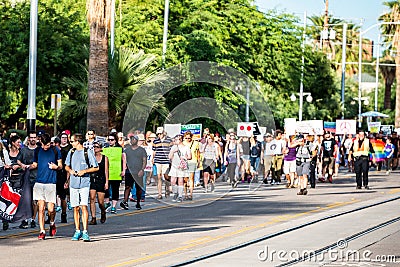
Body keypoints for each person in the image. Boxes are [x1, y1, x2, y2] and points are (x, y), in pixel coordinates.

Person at [65, 133, 99, 241]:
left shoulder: (87, 152)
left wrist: (84, 171)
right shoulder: (71, 152)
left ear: (77, 141)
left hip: (84, 183)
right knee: (75, 207)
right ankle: (77, 230)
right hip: (73, 184)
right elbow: (66, 165)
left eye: (72, 141)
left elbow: (95, 167)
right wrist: (70, 171)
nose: (71, 143)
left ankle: (85, 231)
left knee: (84, 206)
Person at [31, 133, 62, 240]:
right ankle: (42, 231)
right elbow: (35, 164)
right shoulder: (37, 150)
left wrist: (56, 167)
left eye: (47, 145)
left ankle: (52, 222)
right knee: (41, 208)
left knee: (51, 208)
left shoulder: (55, 150)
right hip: (39, 182)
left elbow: (60, 165)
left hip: (51, 182)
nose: (45, 147)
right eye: (44, 145)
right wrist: (27, 166)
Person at [17, 131, 39, 229]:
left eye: (34, 137)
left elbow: (36, 164)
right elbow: (18, 160)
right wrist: (22, 165)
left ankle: (33, 219)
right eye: (31, 137)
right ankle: (24, 220)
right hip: (25, 178)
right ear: (28, 139)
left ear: (37, 139)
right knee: (25, 200)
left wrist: (28, 166)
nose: (33, 139)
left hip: (36, 177)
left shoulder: (38, 150)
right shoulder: (23, 150)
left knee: (34, 201)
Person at [121, 135, 147, 210]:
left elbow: (144, 160)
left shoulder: (141, 150)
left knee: (138, 187)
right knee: (127, 187)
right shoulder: (127, 150)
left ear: (137, 140)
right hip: (129, 171)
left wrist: (142, 169)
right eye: (131, 139)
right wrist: (124, 170)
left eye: (134, 139)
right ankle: (125, 201)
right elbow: (124, 160)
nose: (132, 140)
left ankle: (138, 202)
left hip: (138, 171)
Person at [102, 133, 124, 213]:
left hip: (116, 171)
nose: (110, 141)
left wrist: (123, 170)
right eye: (109, 140)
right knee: (106, 188)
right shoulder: (105, 148)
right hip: (107, 171)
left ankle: (114, 206)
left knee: (115, 189)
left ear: (115, 140)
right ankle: (107, 202)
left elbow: (123, 159)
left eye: (112, 140)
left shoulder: (120, 148)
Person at [89, 141, 109, 224]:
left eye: (97, 147)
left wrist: (107, 182)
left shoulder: (105, 158)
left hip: (101, 179)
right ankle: (93, 217)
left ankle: (103, 211)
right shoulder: (91, 157)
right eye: (94, 147)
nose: (95, 148)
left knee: (101, 202)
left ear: (101, 148)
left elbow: (106, 171)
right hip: (92, 179)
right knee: (92, 198)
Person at [169, 135, 191, 202]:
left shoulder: (186, 147)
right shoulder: (173, 147)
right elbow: (169, 157)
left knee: (180, 181)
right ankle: (176, 193)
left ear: (180, 140)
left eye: (176, 140)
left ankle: (180, 196)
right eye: (175, 140)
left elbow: (190, 156)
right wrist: (172, 151)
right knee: (172, 181)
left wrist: (184, 157)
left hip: (181, 166)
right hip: (174, 166)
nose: (175, 141)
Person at [152, 129, 172, 199]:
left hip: (166, 160)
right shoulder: (155, 141)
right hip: (158, 160)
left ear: (163, 133)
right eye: (158, 134)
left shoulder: (169, 140)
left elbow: (171, 150)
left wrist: (171, 159)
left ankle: (167, 189)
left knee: (166, 176)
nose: (159, 135)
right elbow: (154, 150)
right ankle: (159, 193)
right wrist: (152, 159)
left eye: (160, 134)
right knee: (159, 177)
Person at [183, 131, 200, 200]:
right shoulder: (183, 143)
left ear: (191, 137)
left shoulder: (196, 143)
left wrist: (199, 161)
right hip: (184, 162)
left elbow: (198, 153)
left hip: (193, 161)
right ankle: (185, 194)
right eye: (186, 138)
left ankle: (191, 194)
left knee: (191, 178)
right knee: (185, 179)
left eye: (189, 138)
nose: (187, 139)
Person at [0, 141, 12, 231]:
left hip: (2, 175)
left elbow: (9, 164)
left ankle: (4, 220)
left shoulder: (3, 152)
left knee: (3, 199)